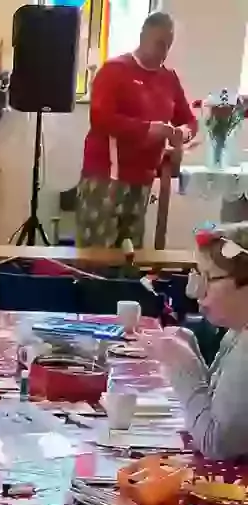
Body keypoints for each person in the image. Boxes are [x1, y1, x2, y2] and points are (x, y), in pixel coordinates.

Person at [76, 11, 198, 248]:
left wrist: (181, 134)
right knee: (98, 258)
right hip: (106, 179)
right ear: (143, 36)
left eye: (168, 46)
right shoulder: (115, 70)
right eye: (159, 44)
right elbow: (101, 118)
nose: (163, 52)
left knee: (130, 258)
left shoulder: (168, 79)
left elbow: (190, 121)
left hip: (141, 182)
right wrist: (149, 130)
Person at [143, 223, 248, 460]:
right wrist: (191, 355)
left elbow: (217, 444)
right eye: (196, 276)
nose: (195, 290)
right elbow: (216, 413)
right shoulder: (237, 331)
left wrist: (184, 369)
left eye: (207, 279)